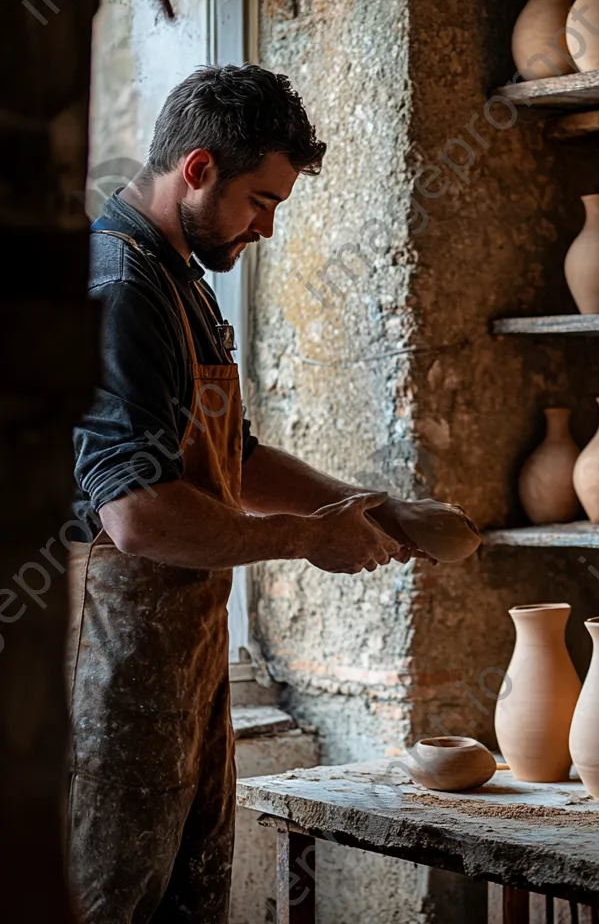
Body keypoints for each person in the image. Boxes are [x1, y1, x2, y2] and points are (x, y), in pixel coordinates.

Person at [68, 64, 421, 922]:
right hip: (108, 677)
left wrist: (368, 508)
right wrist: (307, 539)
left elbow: (235, 457)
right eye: (260, 201)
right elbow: (140, 514)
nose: (267, 227)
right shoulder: (120, 288)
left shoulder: (182, 276)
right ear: (197, 171)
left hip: (185, 669)